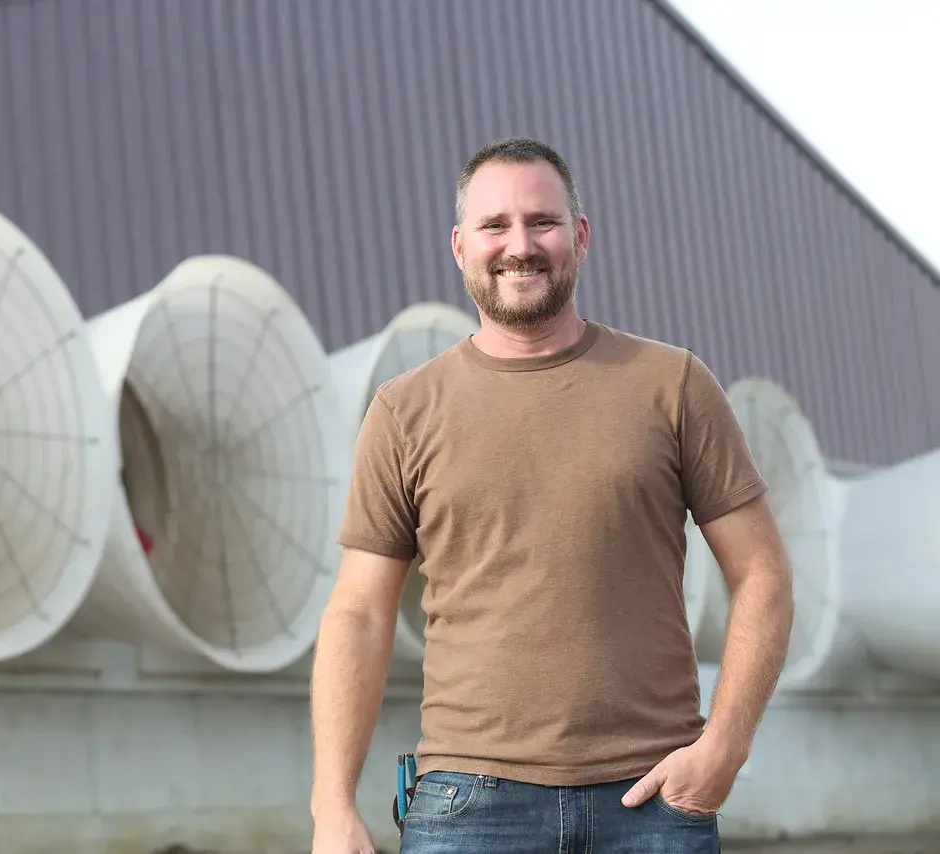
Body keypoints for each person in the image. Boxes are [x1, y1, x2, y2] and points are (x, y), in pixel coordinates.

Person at [308, 137, 795, 853]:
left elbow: (764, 574)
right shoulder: (404, 411)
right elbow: (357, 614)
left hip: (653, 800)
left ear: (581, 235)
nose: (519, 245)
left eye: (542, 221)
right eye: (494, 225)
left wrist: (725, 747)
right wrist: (332, 806)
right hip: (469, 806)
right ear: (459, 246)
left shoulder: (672, 384)